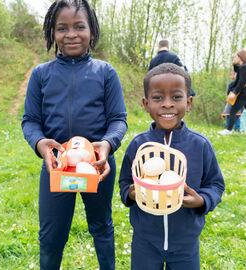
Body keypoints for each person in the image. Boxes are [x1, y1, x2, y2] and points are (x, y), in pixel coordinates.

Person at [21, 1, 127, 269]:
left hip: (97, 166)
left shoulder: (106, 73)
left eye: (79, 26)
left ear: (92, 30)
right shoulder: (40, 75)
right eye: (62, 28)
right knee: (50, 236)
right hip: (57, 166)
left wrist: (106, 144)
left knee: (101, 227)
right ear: (51, 33)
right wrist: (41, 144)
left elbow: (118, 120)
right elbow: (31, 121)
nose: (71, 34)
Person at [119, 63, 225, 270]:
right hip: (145, 242)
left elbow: (215, 184)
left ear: (189, 102)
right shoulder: (138, 145)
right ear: (146, 103)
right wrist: (130, 194)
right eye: (158, 98)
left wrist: (201, 201)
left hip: (186, 244)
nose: (167, 104)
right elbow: (125, 182)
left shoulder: (200, 145)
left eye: (176, 97)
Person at [218, 49, 246, 135]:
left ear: (240, 57)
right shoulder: (242, 67)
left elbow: (241, 82)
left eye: (235, 56)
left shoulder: (244, 67)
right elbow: (236, 71)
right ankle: (229, 130)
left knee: (233, 110)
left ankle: (228, 130)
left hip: (243, 94)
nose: (234, 58)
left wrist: (234, 93)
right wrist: (235, 63)